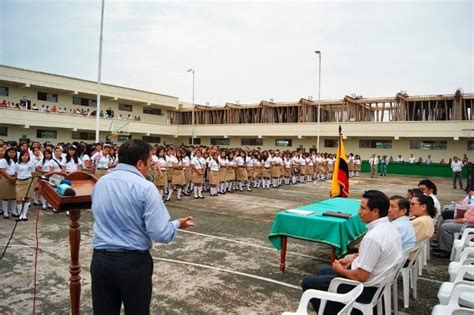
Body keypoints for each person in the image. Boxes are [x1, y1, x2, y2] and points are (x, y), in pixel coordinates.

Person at [90, 139, 194, 314]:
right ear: (140, 163)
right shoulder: (146, 187)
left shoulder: (101, 182)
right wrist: (176, 224)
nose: (151, 167)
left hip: (101, 261)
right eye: (150, 163)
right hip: (132, 263)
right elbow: (160, 233)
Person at [301, 190, 402, 314]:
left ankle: (332, 311)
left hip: (364, 289)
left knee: (308, 283)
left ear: (375, 211)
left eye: (362, 208)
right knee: (322, 270)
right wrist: (353, 260)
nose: (359, 212)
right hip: (377, 284)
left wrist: (342, 271)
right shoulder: (390, 227)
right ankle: (332, 305)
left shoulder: (373, 237)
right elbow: (377, 257)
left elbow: (361, 276)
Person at [432, 190, 474, 258]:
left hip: (470, 226)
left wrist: (464, 219)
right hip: (467, 221)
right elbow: (468, 212)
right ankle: (442, 246)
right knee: (446, 221)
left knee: (445, 227)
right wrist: (466, 218)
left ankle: (447, 250)